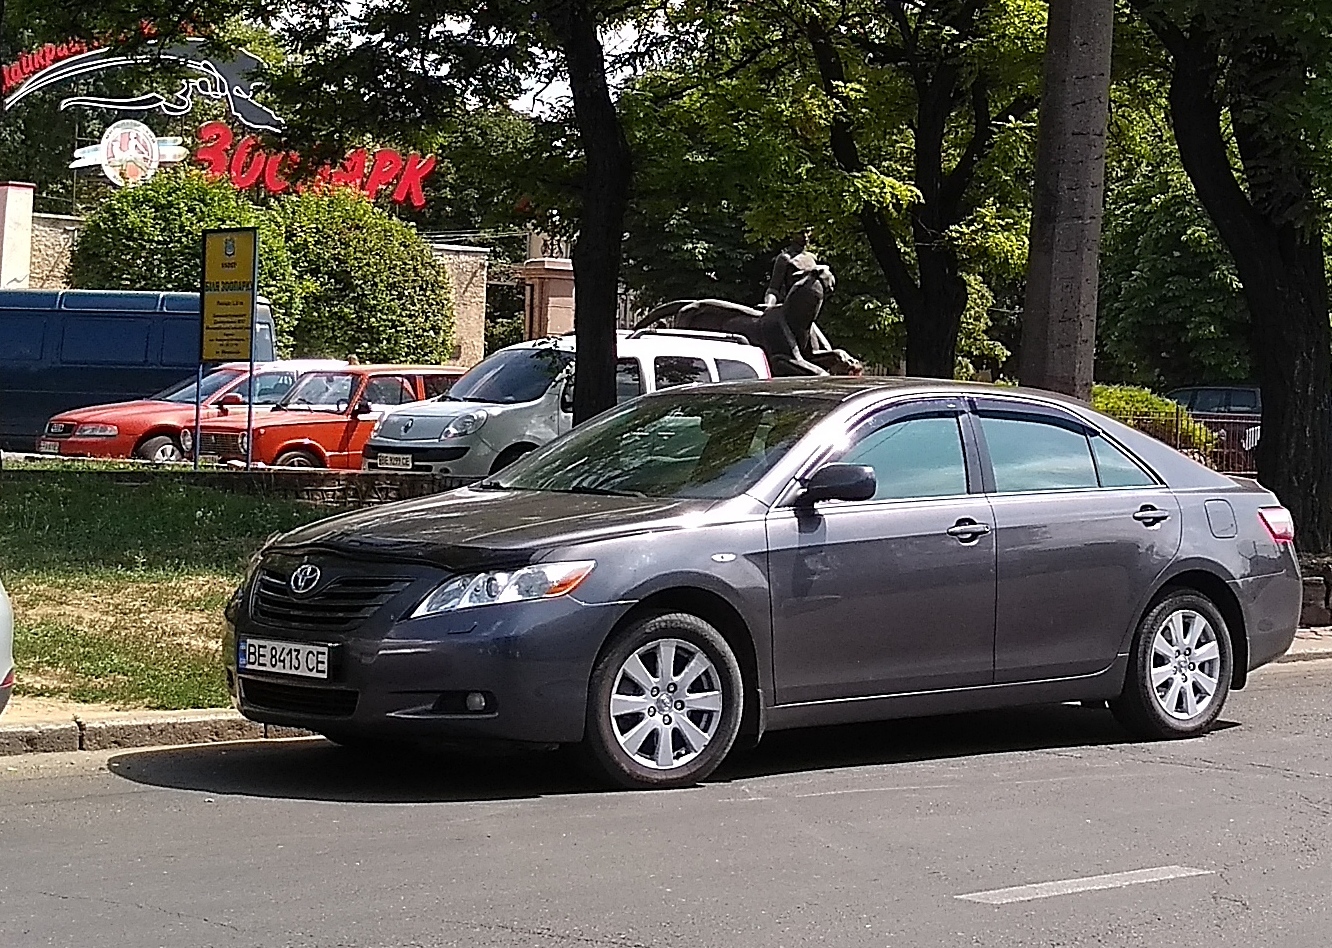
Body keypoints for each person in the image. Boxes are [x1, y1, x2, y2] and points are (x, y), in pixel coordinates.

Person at [764, 231, 818, 307]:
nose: (805, 236)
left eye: (807, 232)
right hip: (790, 308)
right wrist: (769, 306)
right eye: (800, 233)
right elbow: (774, 289)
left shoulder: (812, 258)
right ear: (791, 235)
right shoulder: (784, 259)